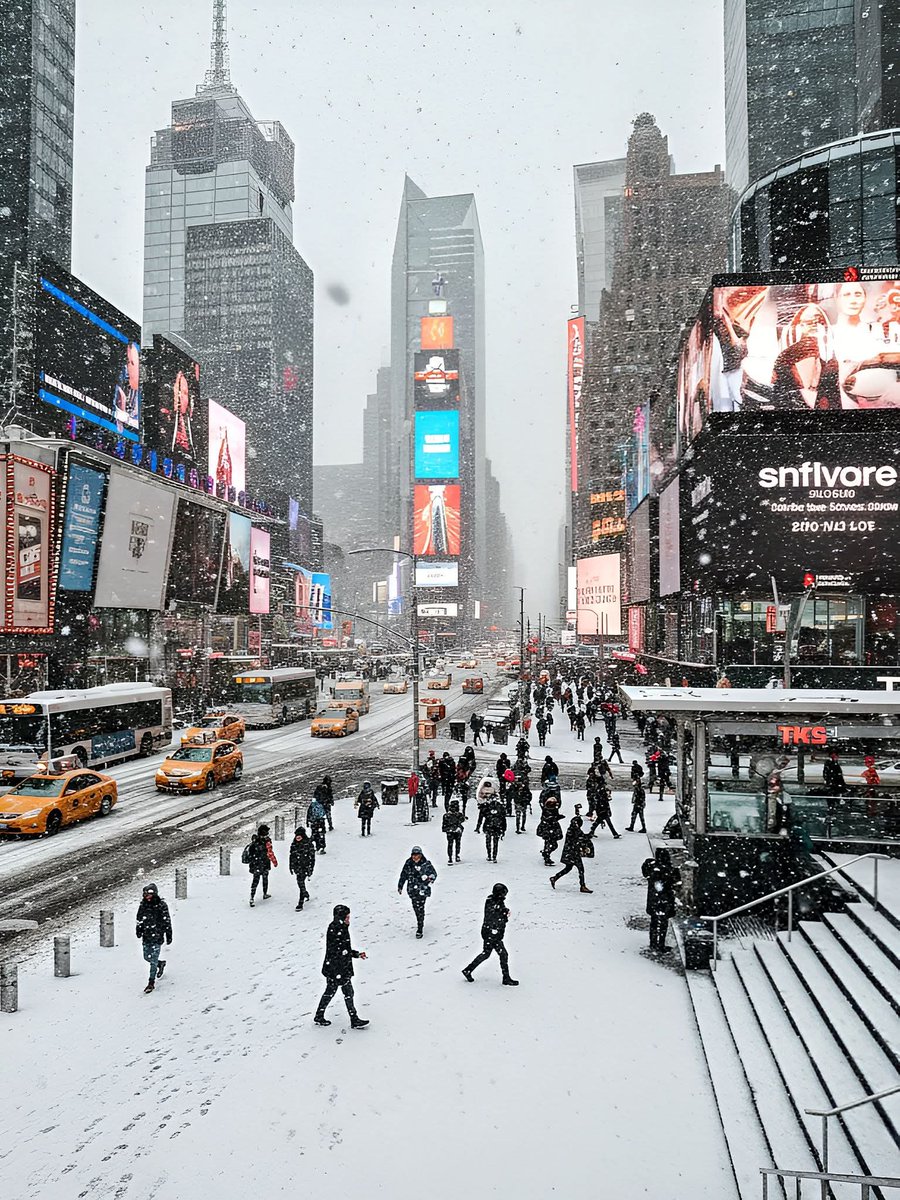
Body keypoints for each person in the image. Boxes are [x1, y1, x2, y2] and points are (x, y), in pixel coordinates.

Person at [771, 304, 841, 410]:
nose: (814, 324)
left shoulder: (833, 355)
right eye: (808, 322)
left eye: (818, 320)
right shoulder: (786, 356)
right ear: (799, 325)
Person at [314, 905, 369, 1028]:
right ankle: (353, 1019)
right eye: (347, 917)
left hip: (337, 968)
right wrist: (352, 955)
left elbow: (344, 950)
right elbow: (339, 951)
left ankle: (321, 1015)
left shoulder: (340, 927)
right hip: (337, 969)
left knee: (337, 992)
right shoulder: (337, 929)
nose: (349, 920)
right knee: (343, 992)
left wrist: (357, 954)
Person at [462, 883, 518, 986]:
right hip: (492, 933)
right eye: (503, 894)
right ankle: (506, 978)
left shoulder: (496, 901)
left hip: (491, 932)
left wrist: (504, 912)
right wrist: (504, 914)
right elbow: (493, 916)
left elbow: (497, 914)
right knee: (502, 954)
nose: (505, 896)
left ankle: (468, 970)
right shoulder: (492, 902)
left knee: (487, 953)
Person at [641, 848, 681, 952]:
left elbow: (645, 871)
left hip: (653, 899)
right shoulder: (670, 870)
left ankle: (653, 943)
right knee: (663, 923)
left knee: (654, 922)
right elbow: (677, 881)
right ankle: (661, 944)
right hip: (665, 900)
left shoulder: (651, 868)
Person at [135, 882, 172, 994]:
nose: (148, 897)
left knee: (153, 960)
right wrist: (139, 930)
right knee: (147, 957)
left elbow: (167, 920)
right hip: (147, 936)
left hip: (157, 935)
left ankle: (151, 982)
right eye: (146, 894)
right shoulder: (143, 906)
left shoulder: (161, 905)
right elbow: (139, 919)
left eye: (150, 894)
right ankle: (160, 964)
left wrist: (168, 934)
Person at [397, 845, 438, 938]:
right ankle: (419, 920)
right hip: (412, 890)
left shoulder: (426, 864)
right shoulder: (408, 864)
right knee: (416, 908)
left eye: (417, 855)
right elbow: (403, 875)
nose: (415, 857)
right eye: (413, 855)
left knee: (420, 908)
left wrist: (429, 878)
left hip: (422, 890)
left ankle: (420, 927)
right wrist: (400, 886)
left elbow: (434, 874)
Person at [550, 815, 592, 893]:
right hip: (573, 853)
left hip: (569, 853)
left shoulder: (572, 829)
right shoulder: (575, 830)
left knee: (568, 868)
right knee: (581, 869)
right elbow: (579, 839)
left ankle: (555, 878)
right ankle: (582, 886)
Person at [246, 823, 278, 906]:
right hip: (264, 863)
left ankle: (252, 897)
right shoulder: (267, 841)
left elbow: (250, 853)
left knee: (255, 881)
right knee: (265, 879)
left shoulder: (254, 841)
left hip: (256, 864)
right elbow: (270, 853)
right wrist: (274, 862)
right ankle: (265, 893)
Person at [288, 826, 316, 911]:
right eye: (296, 836)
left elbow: (312, 857)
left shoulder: (308, 844)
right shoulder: (294, 844)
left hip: (305, 867)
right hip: (297, 867)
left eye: (299, 836)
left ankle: (300, 903)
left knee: (301, 883)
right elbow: (291, 856)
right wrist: (291, 866)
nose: (297, 837)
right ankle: (305, 894)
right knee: (300, 883)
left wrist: (311, 868)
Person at [536, 795, 564, 865]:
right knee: (550, 844)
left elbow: (552, 817)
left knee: (551, 844)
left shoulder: (553, 809)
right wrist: (555, 818)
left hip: (551, 829)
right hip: (548, 829)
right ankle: (546, 856)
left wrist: (557, 817)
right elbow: (547, 819)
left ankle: (546, 854)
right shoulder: (546, 810)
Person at [483, 794, 507, 863]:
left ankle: (490, 855)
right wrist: (503, 829)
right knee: (495, 842)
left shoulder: (488, 806)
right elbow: (503, 818)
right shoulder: (500, 807)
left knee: (490, 842)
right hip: (496, 827)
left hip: (491, 826)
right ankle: (493, 856)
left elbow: (485, 816)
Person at [442, 799, 466, 864]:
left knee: (451, 844)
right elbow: (462, 820)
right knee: (456, 843)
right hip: (455, 830)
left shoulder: (447, 815)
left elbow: (444, 826)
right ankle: (455, 856)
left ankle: (451, 857)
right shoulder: (457, 815)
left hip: (451, 831)